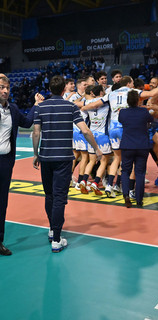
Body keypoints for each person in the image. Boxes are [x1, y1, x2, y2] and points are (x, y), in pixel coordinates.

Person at [32, 75, 102, 253]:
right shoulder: (71, 106)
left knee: (49, 195)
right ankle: (56, 239)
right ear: (64, 90)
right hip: (63, 159)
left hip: (46, 157)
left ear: (49, 89)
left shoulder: (40, 107)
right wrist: (97, 149)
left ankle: (51, 229)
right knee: (60, 198)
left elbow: (36, 133)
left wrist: (35, 154)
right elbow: (85, 130)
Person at [0, 75, 38, 256]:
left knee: (2, 203)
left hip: (6, 162)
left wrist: (35, 106)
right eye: (1, 87)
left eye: (7, 87)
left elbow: (28, 122)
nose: (5, 91)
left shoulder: (13, 109)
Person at [119, 90, 153, 208]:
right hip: (142, 146)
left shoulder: (122, 112)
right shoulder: (144, 111)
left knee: (125, 171)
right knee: (140, 173)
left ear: (127, 101)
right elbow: (151, 120)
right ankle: (139, 200)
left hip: (127, 146)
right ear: (138, 100)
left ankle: (126, 195)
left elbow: (121, 121)